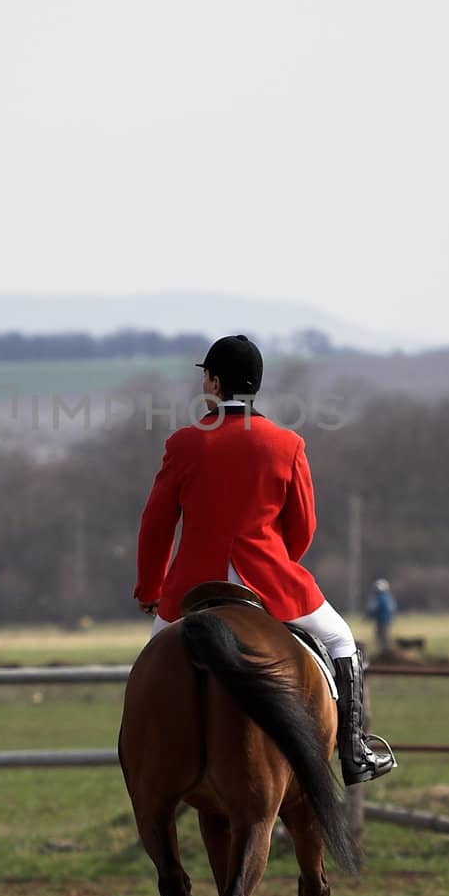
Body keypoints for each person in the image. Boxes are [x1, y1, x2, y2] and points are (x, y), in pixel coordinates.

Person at [134, 333, 395, 786]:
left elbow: (156, 526)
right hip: (271, 584)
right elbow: (304, 527)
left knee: (151, 668)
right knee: (341, 641)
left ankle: (141, 760)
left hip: (193, 589)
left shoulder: (183, 444)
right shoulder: (287, 444)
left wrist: (150, 591)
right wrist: (277, 563)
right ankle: (355, 751)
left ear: (213, 383)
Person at [366, 578, 398, 654]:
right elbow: (393, 608)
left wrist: (368, 616)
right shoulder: (388, 597)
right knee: (385, 636)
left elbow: (374, 608)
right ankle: (386, 651)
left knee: (381, 637)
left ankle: (383, 652)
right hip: (387, 620)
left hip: (381, 620)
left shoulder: (379, 598)